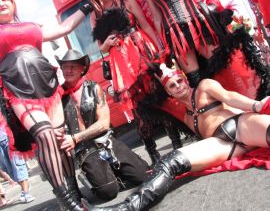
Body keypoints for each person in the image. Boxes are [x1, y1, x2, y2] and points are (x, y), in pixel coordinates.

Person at [82, 62, 270, 210]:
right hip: (221, 144)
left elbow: (229, 96)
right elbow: (147, 102)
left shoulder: (204, 87)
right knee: (169, 162)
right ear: (168, 92)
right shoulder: (185, 116)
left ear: (186, 80)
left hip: (240, 125)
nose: (178, 86)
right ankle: (125, 208)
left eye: (180, 81)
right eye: (173, 85)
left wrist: (255, 106)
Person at [0, 0, 93, 210]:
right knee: (44, 135)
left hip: (48, 88)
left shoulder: (32, 25)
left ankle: (74, 192)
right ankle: (69, 203)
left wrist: (87, 5)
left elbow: (64, 28)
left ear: (12, 2)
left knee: (61, 140)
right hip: (18, 92)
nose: (1, 3)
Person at [84, 0, 184, 164]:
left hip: (139, 50)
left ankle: (176, 143)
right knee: (138, 107)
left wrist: (160, 49)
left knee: (159, 96)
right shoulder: (95, 15)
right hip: (120, 61)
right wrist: (107, 43)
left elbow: (145, 24)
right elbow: (100, 48)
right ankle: (153, 154)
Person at [58, 49, 149, 201]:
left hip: (105, 140)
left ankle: (117, 168)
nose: (68, 70)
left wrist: (75, 137)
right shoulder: (57, 96)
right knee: (109, 192)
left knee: (143, 175)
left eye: (73, 66)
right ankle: (99, 178)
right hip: (84, 149)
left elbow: (104, 124)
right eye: (65, 66)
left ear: (82, 69)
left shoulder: (94, 88)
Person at [0, 130, 35, 203]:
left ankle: (26, 193)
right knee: (8, 170)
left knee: (18, 165)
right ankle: (24, 188)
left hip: (8, 137)